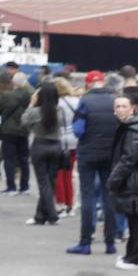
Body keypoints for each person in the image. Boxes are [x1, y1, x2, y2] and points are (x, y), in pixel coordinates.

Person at [66, 70, 120, 255]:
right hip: (110, 155)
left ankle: (85, 242)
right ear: (103, 83)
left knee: (88, 196)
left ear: (88, 84)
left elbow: (78, 131)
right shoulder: (115, 101)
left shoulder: (85, 101)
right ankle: (110, 242)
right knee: (109, 197)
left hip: (88, 155)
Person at [108, 90, 138, 269]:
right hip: (136, 182)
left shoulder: (133, 131)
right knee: (135, 220)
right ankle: (133, 255)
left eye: (124, 106)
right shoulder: (131, 128)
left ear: (132, 110)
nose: (120, 109)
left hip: (135, 183)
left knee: (136, 222)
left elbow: (129, 160)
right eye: (117, 106)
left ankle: (137, 258)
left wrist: (113, 180)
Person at [18, 80, 74, 225]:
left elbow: (23, 122)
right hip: (56, 147)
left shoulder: (35, 112)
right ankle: (40, 216)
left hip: (39, 146)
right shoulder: (59, 111)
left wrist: (31, 103)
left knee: (43, 183)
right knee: (50, 182)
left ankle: (52, 214)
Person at [0, 71, 33, 194]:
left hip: (8, 130)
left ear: (13, 82)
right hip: (23, 129)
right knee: (24, 158)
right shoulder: (29, 95)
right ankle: (24, 187)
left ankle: (11, 187)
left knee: (9, 158)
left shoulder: (6, 95)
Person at [54, 77, 80, 215]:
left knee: (59, 173)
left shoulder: (57, 104)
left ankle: (61, 203)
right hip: (75, 139)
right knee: (70, 173)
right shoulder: (77, 101)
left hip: (61, 139)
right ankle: (71, 204)